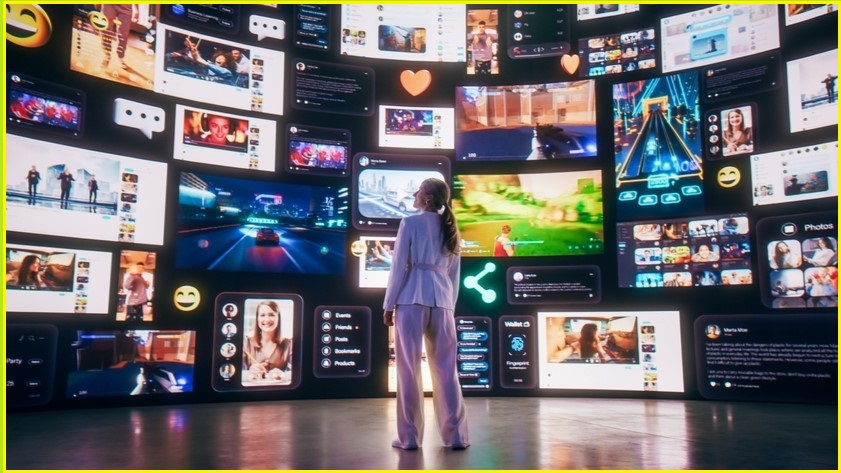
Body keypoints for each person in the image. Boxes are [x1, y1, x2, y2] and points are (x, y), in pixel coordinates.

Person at [382, 178, 469, 451]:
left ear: (428, 198)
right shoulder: (453, 229)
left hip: (410, 300)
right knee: (446, 371)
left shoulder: (410, 223)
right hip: (442, 303)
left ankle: (409, 438)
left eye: (419, 190)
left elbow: (398, 268)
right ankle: (455, 436)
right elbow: (454, 276)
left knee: (408, 370)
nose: (415, 194)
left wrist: (388, 304)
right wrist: (450, 307)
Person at [242, 300, 293, 384]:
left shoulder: (289, 344)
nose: (267, 319)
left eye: (271, 315)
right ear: (257, 318)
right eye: (262, 315)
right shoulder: (245, 343)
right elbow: (233, 371)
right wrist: (249, 373)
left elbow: (298, 373)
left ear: (278, 318)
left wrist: (283, 375)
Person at [100, 4, 139, 70]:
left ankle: (121, 57)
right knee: (106, 28)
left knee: (123, 33)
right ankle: (107, 55)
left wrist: (136, 9)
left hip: (126, 7)